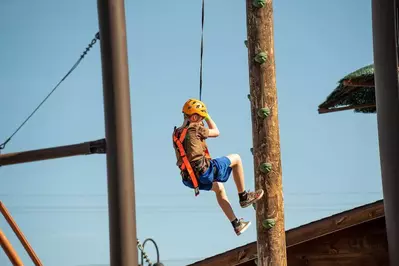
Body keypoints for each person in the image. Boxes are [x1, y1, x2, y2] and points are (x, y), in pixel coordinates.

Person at [172, 98, 264, 236]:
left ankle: (236, 224)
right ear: (195, 116)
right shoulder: (196, 128)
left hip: (189, 179)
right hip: (204, 171)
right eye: (200, 117)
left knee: (219, 188)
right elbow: (216, 131)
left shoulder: (176, 134)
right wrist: (208, 116)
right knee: (237, 159)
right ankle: (243, 196)